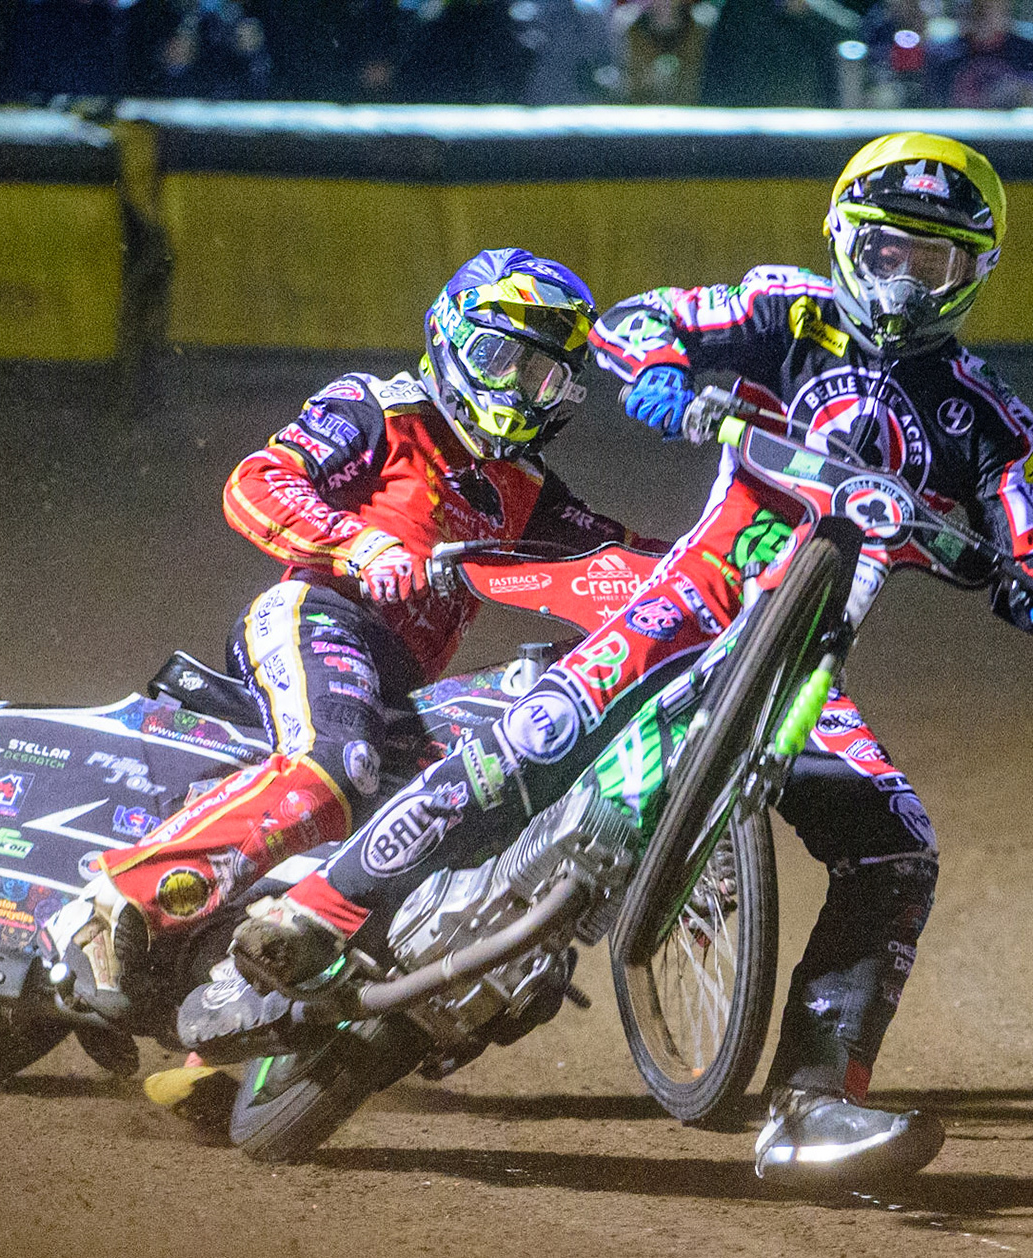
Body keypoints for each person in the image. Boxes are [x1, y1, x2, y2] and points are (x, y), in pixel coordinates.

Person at [191, 132, 1033, 1182]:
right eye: (888, 249)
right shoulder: (787, 309)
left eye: (933, 261)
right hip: (694, 595)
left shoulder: (986, 415)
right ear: (848, 238)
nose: (904, 277)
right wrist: (666, 377)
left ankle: (810, 1105)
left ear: (973, 272)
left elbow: (1027, 531)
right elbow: (639, 322)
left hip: (805, 660)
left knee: (899, 842)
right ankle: (323, 906)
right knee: (538, 735)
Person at [43, 248, 663, 1026]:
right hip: (316, 613)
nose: (513, 386)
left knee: (461, 813)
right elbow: (258, 481)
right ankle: (109, 909)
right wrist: (360, 546)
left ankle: (265, 1022)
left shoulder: (530, 491)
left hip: (400, 686)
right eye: (500, 357)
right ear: (450, 337)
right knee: (334, 766)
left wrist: (747, 558)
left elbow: (625, 560)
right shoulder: (379, 407)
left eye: (538, 376)